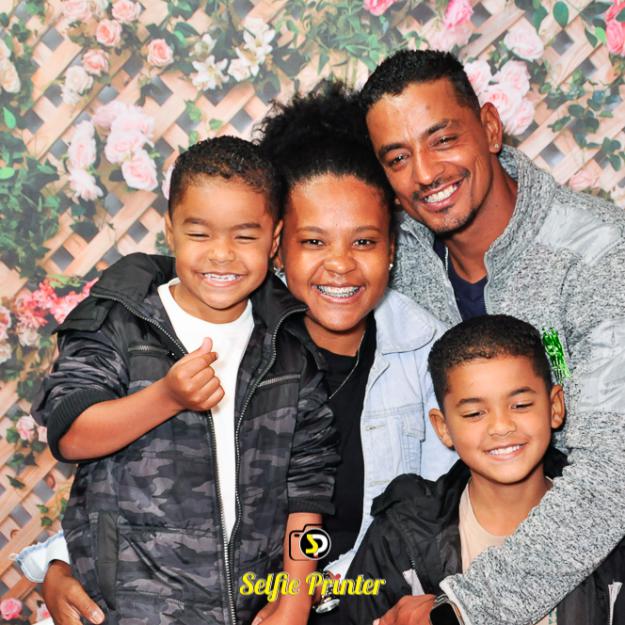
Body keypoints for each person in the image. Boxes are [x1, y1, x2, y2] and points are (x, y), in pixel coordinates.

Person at [17, 85, 456, 625]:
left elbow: (333, 500)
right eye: (314, 241)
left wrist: (300, 594)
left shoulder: (408, 355)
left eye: (363, 241)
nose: (340, 264)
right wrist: (61, 561)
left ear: (391, 246)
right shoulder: (175, 324)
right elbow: (129, 474)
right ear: (282, 247)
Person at [359, 49, 625, 625]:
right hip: (442, 549)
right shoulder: (389, 258)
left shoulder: (599, 254)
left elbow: (613, 473)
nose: (425, 173)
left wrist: (465, 610)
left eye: (442, 139)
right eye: (398, 157)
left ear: (490, 127)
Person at [27, 136, 339, 625]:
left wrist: (296, 599)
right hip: (129, 610)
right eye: (200, 234)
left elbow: (309, 490)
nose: (222, 255)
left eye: (245, 237)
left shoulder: (289, 347)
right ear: (170, 231)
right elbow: (70, 433)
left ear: (274, 239)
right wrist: (166, 397)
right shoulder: (121, 322)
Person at [344, 315, 625, 625]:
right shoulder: (399, 536)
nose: (501, 426)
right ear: (443, 427)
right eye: (474, 413)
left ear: (555, 407)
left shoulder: (610, 531)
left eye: (520, 405)